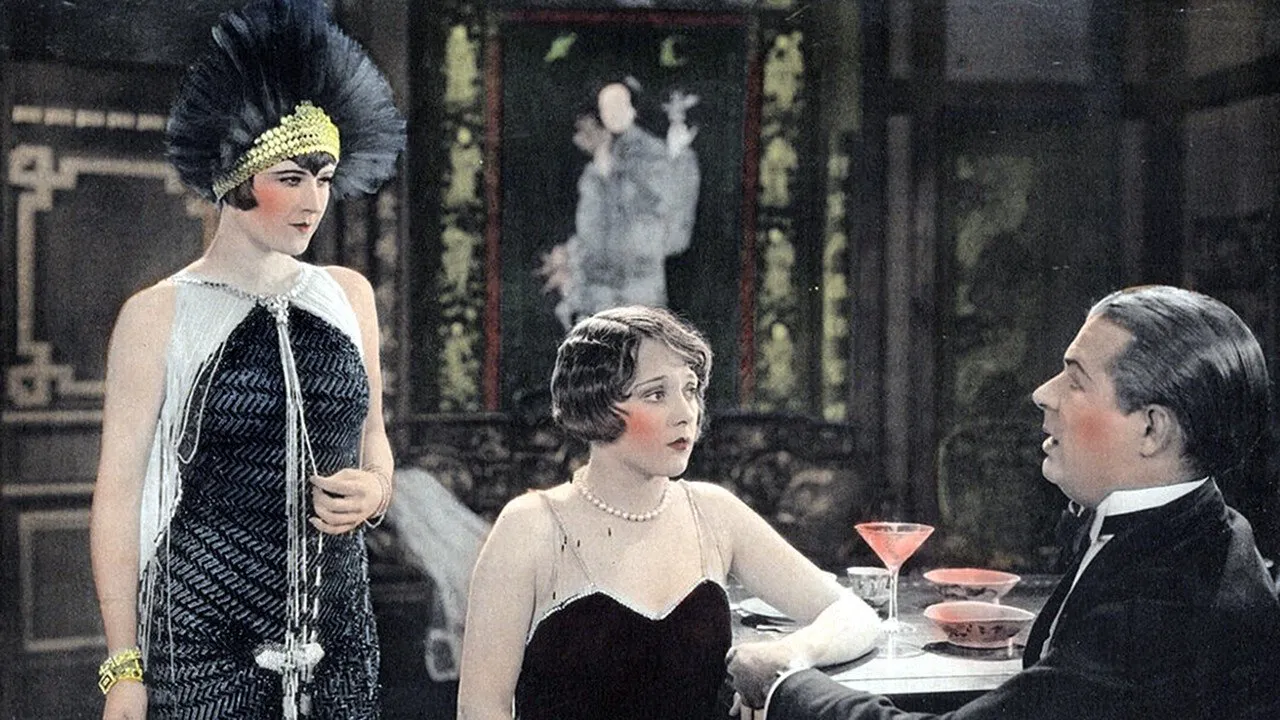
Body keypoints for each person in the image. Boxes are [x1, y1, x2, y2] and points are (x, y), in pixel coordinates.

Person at [729, 285, 1280, 719]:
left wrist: (784, 683)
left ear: (1152, 429)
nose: (1043, 393)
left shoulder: (1163, 611)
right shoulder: (1210, 530)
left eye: (1075, 380)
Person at [89, 1, 405, 718]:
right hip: (201, 634)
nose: (313, 202)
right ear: (234, 178)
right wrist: (124, 668)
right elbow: (118, 497)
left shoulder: (349, 295)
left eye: (324, 179)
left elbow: (375, 440)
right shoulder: (157, 314)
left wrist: (377, 490)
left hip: (338, 630)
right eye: (290, 178)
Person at [457, 306, 881, 720]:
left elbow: (855, 616)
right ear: (595, 404)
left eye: (690, 390)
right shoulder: (530, 526)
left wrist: (789, 653)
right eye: (656, 394)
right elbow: (480, 709)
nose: (686, 414)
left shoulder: (713, 512)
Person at [542, 79, 702, 329]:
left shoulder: (653, 154)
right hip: (599, 291)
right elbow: (590, 229)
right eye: (606, 107)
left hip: (639, 284)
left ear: (632, 108)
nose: (612, 113)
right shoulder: (594, 170)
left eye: (619, 104)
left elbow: (673, 223)